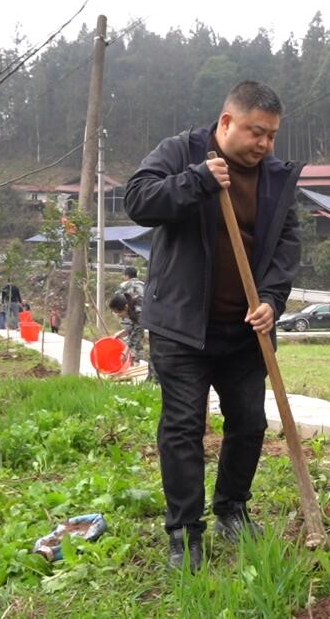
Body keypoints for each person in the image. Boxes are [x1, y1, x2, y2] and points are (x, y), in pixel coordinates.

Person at [124, 80, 301, 571]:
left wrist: (271, 300)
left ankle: (232, 509)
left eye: (271, 136)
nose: (264, 145)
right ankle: (185, 532)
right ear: (226, 123)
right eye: (255, 132)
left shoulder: (276, 178)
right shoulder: (181, 152)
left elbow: (287, 244)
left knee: (248, 422)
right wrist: (198, 180)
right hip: (182, 327)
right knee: (182, 428)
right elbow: (139, 201)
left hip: (245, 331)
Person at [108, 293, 144, 364]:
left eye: (118, 312)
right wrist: (122, 332)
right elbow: (134, 326)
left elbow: (138, 333)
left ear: (126, 307)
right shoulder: (131, 309)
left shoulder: (138, 310)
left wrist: (126, 351)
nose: (118, 315)